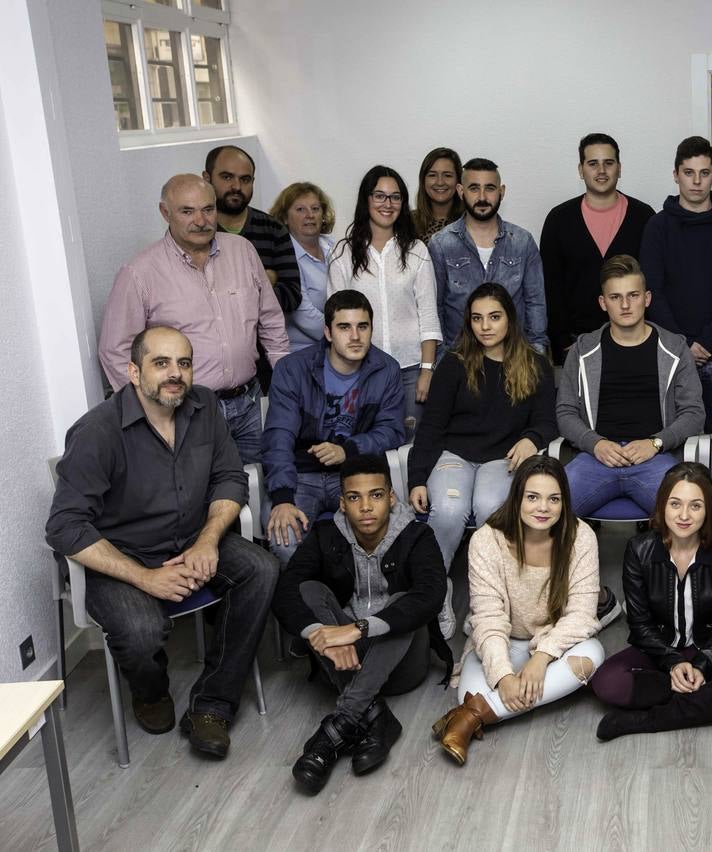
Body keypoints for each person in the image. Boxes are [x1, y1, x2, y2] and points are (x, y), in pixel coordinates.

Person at [47, 326, 278, 758]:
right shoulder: (98, 432)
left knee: (261, 569)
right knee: (140, 630)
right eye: (161, 363)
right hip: (123, 556)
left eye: (184, 363)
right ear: (134, 372)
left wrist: (209, 540)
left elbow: (230, 477)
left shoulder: (205, 406)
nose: (175, 374)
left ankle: (213, 704)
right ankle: (150, 691)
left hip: (193, 538)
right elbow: (64, 527)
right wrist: (145, 578)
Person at [275, 454, 448, 794]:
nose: (366, 506)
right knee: (308, 589)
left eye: (376, 495)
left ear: (391, 497)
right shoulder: (326, 534)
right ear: (342, 503)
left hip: (402, 663)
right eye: (354, 497)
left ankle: (339, 725)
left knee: (405, 602)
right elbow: (285, 591)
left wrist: (359, 629)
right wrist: (320, 635)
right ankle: (373, 716)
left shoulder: (417, 535)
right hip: (344, 658)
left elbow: (431, 594)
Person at [99, 174, 289, 464]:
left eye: (208, 209)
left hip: (250, 402)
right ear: (165, 213)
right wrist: (150, 411)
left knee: (263, 488)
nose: (201, 220)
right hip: (187, 412)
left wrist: (287, 383)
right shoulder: (139, 272)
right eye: (187, 211)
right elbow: (115, 350)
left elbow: (271, 321)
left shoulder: (242, 251)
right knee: (204, 497)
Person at [432, 457, 606, 765]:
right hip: (503, 641)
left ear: (564, 502)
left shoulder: (581, 537)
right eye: (533, 497)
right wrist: (502, 677)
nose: (543, 508)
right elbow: (487, 617)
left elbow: (581, 614)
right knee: (471, 688)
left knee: (592, 656)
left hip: (553, 644)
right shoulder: (487, 539)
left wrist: (541, 659)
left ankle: (470, 718)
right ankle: (476, 709)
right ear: (517, 499)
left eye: (554, 499)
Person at [591, 463, 712, 740]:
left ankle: (643, 720)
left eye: (695, 506)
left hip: (709, 649)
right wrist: (671, 663)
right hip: (659, 650)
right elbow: (639, 623)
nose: (683, 515)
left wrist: (703, 664)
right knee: (607, 682)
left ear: (708, 510)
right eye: (675, 504)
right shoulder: (639, 549)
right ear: (662, 506)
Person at [408, 283, 558, 568]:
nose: (485, 326)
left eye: (494, 317)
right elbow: (431, 427)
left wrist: (532, 438)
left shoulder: (535, 364)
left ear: (510, 319)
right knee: (450, 510)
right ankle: (433, 593)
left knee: (491, 508)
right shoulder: (453, 364)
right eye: (477, 318)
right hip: (454, 456)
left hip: (503, 459)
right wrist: (416, 478)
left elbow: (548, 421)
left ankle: (491, 594)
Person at [557, 253, 703, 521]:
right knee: (545, 512)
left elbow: (694, 413)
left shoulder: (674, 348)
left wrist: (656, 442)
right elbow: (565, 412)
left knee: (687, 518)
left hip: (654, 459)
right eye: (615, 297)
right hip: (596, 458)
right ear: (603, 303)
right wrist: (595, 443)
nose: (625, 305)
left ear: (647, 299)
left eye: (633, 295)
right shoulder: (583, 349)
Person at [263, 290, 406, 565]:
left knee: (396, 534)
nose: (355, 336)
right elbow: (278, 436)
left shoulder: (386, 369)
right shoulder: (293, 369)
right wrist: (282, 498)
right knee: (285, 541)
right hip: (301, 475)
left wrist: (348, 450)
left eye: (362, 327)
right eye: (344, 327)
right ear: (328, 332)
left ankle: (370, 605)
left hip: (356, 473)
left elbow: (392, 430)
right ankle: (303, 605)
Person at [640, 135, 712, 431]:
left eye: (704, 173)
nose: (696, 182)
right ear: (676, 175)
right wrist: (683, 344)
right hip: (670, 354)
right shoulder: (658, 227)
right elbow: (652, 291)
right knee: (674, 441)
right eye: (689, 173)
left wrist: (704, 342)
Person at [327, 165, 442, 430]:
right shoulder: (342, 253)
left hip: (411, 370)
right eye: (379, 196)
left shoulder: (416, 250)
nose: (387, 204)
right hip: (360, 371)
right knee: (368, 449)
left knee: (409, 450)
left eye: (395, 196)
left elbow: (428, 314)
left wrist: (427, 370)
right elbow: (336, 318)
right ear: (366, 199)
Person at [540, 133, 656, 363]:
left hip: (635, 344)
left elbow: (653, 281)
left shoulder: (644, 217)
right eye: (593, 163)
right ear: (581, 169)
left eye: (608, 163)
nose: (601, 170)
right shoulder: (559, 219)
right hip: (575, 346)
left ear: (619, 168)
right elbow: (549, 287)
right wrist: (563, 342)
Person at [429, 157, 548, 354]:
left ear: (501, 192)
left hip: (514, 360)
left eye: (490, 188)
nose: (482, 197)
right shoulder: (441, 245)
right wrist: (441, 364)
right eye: (474, 188)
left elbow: (535, 304)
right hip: (459, 360)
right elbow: (435, 308)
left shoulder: (522, 242)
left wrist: (538, 357)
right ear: (460, 191)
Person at [203, 144, 301, 312]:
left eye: (245, 179)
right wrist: (262, 282)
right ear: (207, 178)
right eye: (227, 177)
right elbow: (196, 300)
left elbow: (292, 296)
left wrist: (227, 292)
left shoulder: (273, 229)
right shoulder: (197, 230)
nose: (237, 187)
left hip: (263, 337)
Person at [270, 181, 337, 354]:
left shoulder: (335, 246)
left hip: (340, 346)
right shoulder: (283, 256)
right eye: (300, 209)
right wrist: (347, 333)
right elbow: (304, 316)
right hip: (302, 354)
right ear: (284, 217)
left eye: (315, 209)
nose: (310, 215)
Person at [411, 146, 464, 244]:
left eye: (447, 175)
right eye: (432, 175)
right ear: (423, 181)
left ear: (458, 181)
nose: (440, 182)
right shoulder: (407, 222)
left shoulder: (470, 222)